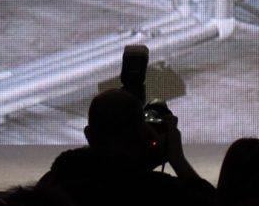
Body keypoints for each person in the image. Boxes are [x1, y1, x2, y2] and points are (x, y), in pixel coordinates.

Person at [38, 88, 214, 206]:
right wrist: (178, 160)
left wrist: (136, 169)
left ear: (88, 135)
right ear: (142, 135)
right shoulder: (159, 192)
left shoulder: (52, 184)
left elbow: (111, 177)